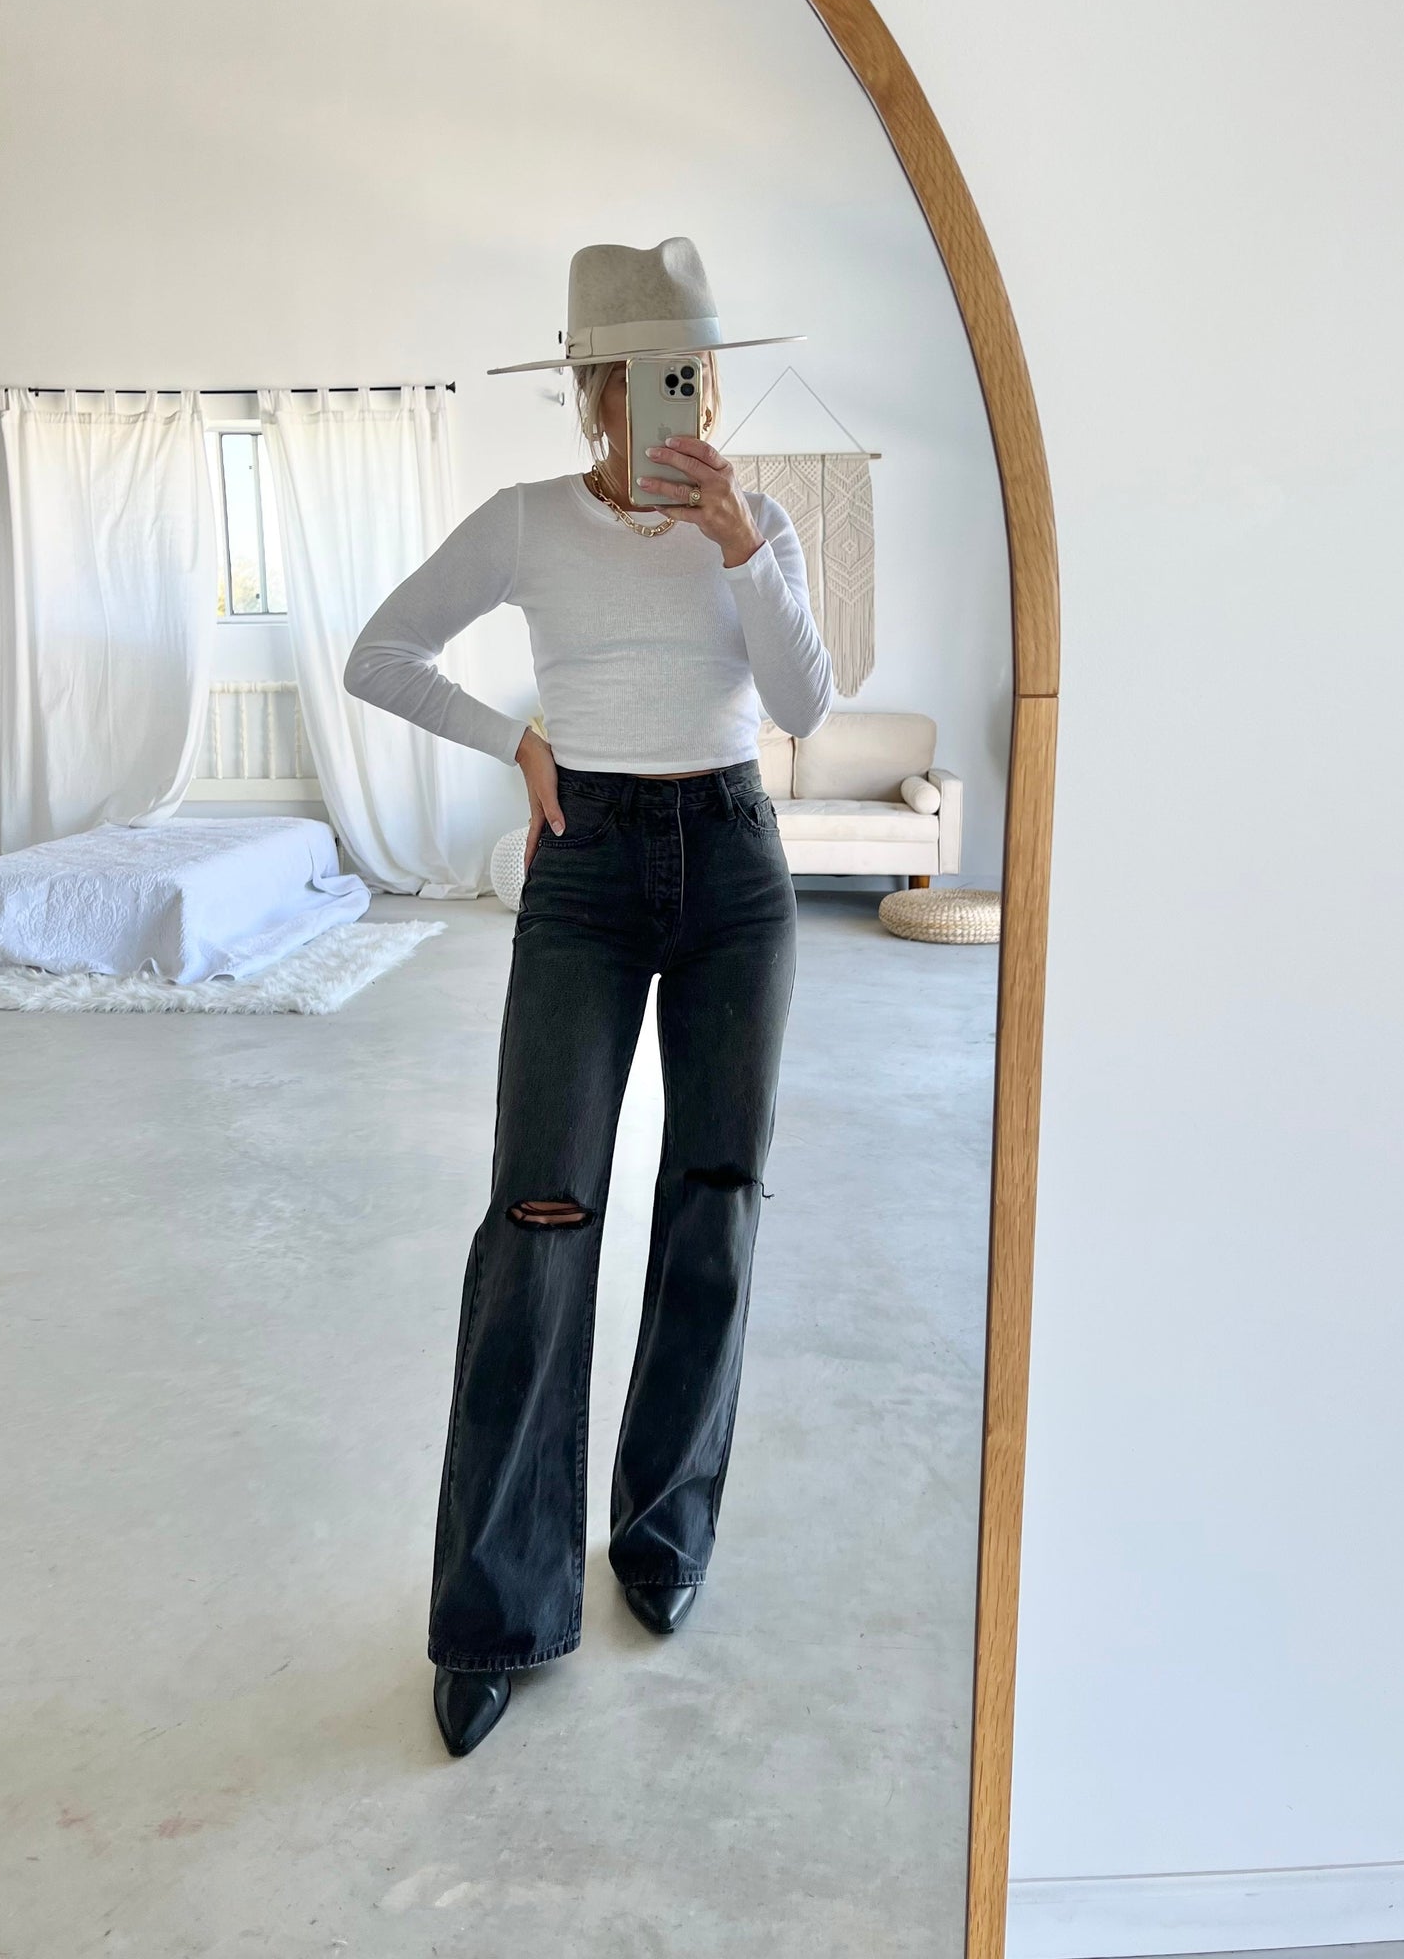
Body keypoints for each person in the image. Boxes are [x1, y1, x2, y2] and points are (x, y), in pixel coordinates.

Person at [343, 238, 834, 1757]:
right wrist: (519, 741)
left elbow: (807, 704)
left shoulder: (758, 524)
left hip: (737, 860)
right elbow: (381, 655)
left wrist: (742, 545)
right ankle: (496, 1606)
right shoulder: (526, 521)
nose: (683, 400)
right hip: (588, 862)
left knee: (717, 1199)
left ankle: (664, 1531)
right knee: (539, 1213)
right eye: (651, 375)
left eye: (699, 372)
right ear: (597, 389)